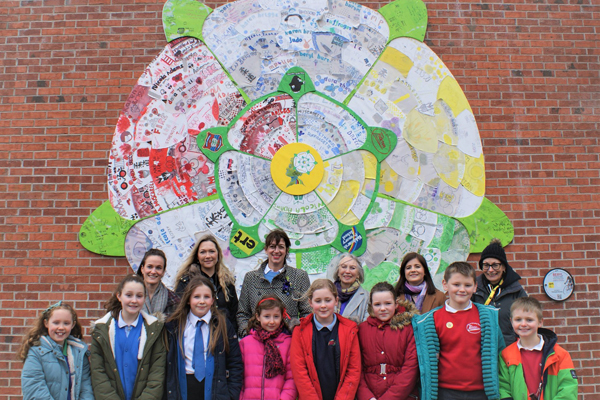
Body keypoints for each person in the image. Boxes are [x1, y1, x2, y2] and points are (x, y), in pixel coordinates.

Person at [412, 262, 505, 400]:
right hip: (445, 392)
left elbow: (501, 354)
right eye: (456, 285)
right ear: (445, 285)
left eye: (467, 285)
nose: (462, 289)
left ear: (475, 287)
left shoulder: (488, 317)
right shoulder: (430, 320)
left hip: (482, 392)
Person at [164, 275, 243, 400]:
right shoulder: (174, 326)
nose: (202, 301)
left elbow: (235, 363)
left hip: (214, 390)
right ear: (188, 300)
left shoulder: (223, 325)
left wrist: (231, 395)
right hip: (184, 388)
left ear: (212, 300)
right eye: (196, 297)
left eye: (206, 297)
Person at [90, 274, 166, 400]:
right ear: (119, 296)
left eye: (139, 296)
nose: (134, 300)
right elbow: (98, 373)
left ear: (145, 298)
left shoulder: (155, 329)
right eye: (129, 295)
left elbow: (157, 374)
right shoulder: (101, 331)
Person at [290, 279, 361, 400]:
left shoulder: (350, 330)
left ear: (336, 301)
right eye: (318, 301)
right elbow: (299, 371)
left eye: (328, 300)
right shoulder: (300, 331)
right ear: (310, 302)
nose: (323, 305)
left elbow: (353, 370)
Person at [499, 297, 578, 400]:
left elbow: (568, 389)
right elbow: (503, 388)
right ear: (511, 321)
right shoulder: (506, 355)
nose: (523, 324)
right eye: (518, 319)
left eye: (529, 320)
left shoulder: (560, 355)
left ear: (540, 322)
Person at [237, 229, 311, 336]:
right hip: (257, 341)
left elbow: (307, 312)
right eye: (272, 246)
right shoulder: (251, 278)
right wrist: (249, 335)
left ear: (287, 250)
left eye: (281, 247)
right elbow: (242, 314)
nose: (276, 251)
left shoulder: (299, 276)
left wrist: (296, 335)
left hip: (288, 341)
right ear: (266, 250)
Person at [19, 301, 94, 400]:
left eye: (66, 323)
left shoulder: (80, 353)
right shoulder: (36, 352)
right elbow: (34, 388)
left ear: (73, 325)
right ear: (46, 323)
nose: (61, 327)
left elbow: (86, 388)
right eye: (56, 322)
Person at [357, 282, 419, 400]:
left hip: (403, 396)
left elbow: (410, 368)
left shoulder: (408, 329)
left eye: (388, 303)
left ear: (396, 304)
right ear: (371, 306)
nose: (383, 308)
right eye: (377, 304)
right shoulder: (362, 330)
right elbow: (357, 367)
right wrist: (367, 397)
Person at [175, 234, 239, 332]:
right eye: (203, 252)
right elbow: (178, 313)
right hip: (196, 336)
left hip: (224, 336)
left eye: (211, 251)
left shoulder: (227, 281)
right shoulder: (186, 281)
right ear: (197, 256)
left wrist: (232, 337)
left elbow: (234, 313)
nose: (208, 256)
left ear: (218, 254)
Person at [239, 296, 297, 400]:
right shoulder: (245, 343)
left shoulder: (288, 343)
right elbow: (239, 377)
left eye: (276, 316)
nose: (271, 321)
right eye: (267, 316)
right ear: (258, 316)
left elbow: (291, 378)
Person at [473, 238, 527, 345]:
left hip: (509, 349)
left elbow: (527, 320)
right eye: (486, 265)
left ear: (504, 267)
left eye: (495, 265)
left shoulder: (516, 291)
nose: (490, 270)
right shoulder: (474, 289)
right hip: (481, 348)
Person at [326, 253, 369, 323]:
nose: (347, 271)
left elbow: (366, 327)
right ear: (338, 272)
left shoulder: (367, 297)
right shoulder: (327, 293)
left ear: (358, 274)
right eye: (344, 267)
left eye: (352, 268)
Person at [136, 248, 179, 316]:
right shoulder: (129, 296)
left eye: (158, 268)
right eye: (149, 267)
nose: (153, 272)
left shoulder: (173, 300)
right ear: (142, 269)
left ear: (163, 272)